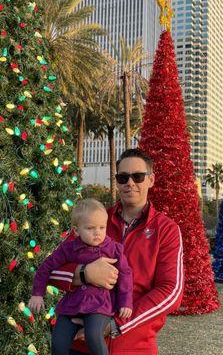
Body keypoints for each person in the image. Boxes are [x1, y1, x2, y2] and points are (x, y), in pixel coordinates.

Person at [49, 149, 184, 355]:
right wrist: (83, 274)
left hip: (133, 346)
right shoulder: (93, 220)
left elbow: (171, 291)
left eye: (138, 176)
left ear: (151, 180)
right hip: (79, 345)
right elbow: (52, 268)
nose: (130, 183)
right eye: (123, 177)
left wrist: (116, 325)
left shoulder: (166, 230)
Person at [29, 199, 132, 355]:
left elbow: (125, 275)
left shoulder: (113, 249)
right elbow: (46, 267)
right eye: (90, 228)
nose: (97, 232)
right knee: (58, 342)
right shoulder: (69, 248)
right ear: (76, 231)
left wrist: (125, 302)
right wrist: (37, 294)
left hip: (100, 304)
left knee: (93, 335)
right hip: (72, 304)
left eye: (102, 227)